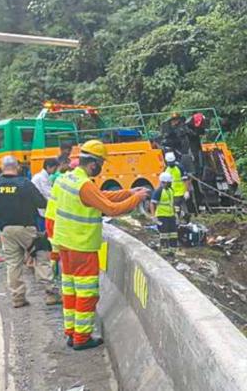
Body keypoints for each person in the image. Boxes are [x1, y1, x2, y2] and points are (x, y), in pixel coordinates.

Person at [52, 140, 148, 350]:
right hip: (82, 246)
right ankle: (82, 338)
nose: (102, 168)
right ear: (93, 164)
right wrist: (137, 198)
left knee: (71, 291)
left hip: (65, 244)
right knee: (87, 293)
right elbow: (111, 209)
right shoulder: (84, 185)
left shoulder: (67, 178)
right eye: (102, 164)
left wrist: (128, 193)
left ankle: (71, 332)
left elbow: (100, 198)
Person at [0, 156, 58, 308]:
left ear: (3, 168)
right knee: (41, 255)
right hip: (26, 227)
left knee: (13, 263)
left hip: (6, 229)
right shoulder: (25, 184)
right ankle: (50, 293)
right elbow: (41, 202)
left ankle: (18, 297)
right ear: (17, 167)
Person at [151, 172, 178, 254]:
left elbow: (172, 203)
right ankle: (165, 252)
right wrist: (153, 216)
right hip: (162, 215)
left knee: (173, 233)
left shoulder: (170, 190)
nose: (171, 183)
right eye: (169, 182)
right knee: (164, 234)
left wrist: (175, 213)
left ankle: (172, 251)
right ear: (164, 182)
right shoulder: (158, 191)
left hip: (171, 215)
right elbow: (152, 203)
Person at [32, 158, 59, 231]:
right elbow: (48, 193)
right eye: (55, 168)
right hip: (40, 208)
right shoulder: (42, 178)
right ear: (48, 167)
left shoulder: (42, 176)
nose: (56, 170)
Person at [163, 152, 189, 219]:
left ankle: (182, 218)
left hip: (180, 191)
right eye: (169, 162)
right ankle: (183, 217)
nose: (170, 164)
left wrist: (186, 191)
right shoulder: (166, 169)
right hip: (172, 192)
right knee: (178, 207)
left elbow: (185, 180)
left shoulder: (179, 167)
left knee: (178, 207)